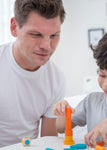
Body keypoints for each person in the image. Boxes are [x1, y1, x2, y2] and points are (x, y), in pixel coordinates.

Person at [0, 0, 66, 147]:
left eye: (54, 35)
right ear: (14, 27)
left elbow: (48, 140)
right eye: (36, 34)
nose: (47, 46)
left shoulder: (56, 78)